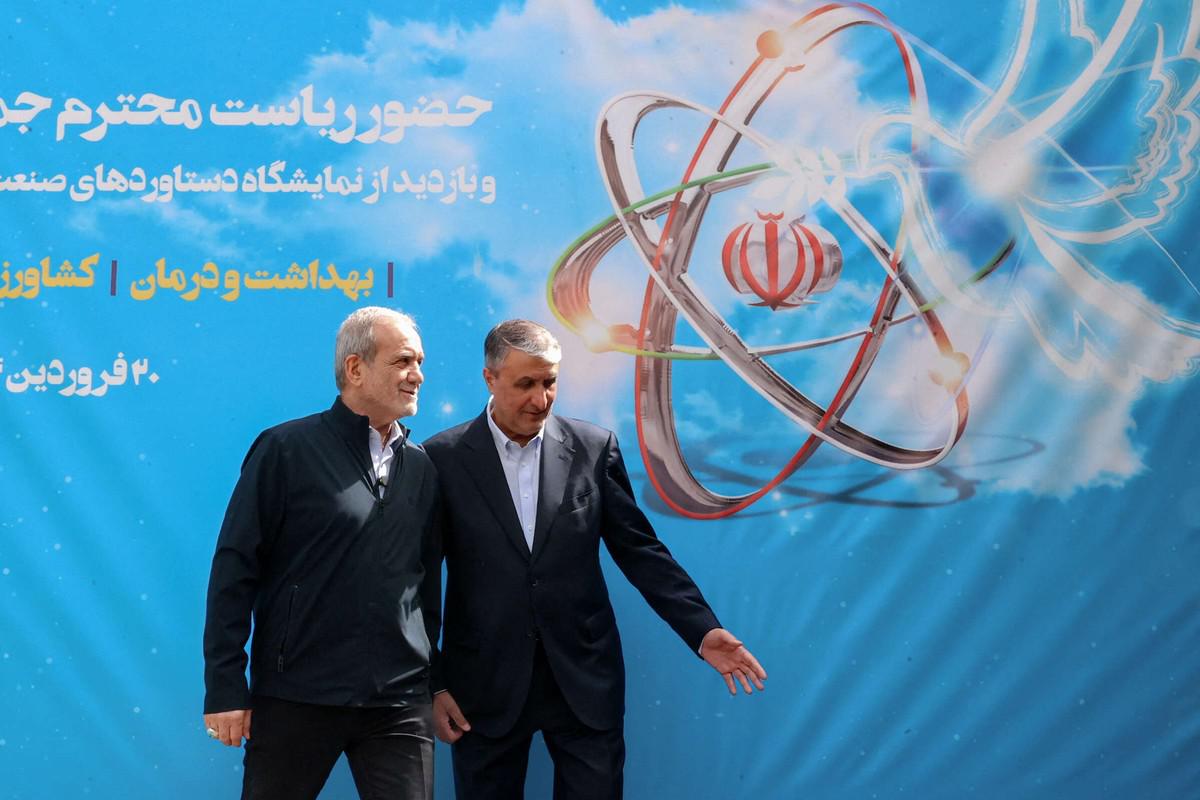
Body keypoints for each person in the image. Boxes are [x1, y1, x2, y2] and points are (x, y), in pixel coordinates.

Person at [423, 319, 766, 799]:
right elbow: (419, 581)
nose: (540, 399)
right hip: (483, 686)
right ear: (490, 378)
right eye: (525, 384)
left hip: (584, 679)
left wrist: (701, 628)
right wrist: (434, 684)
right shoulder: (440, 459)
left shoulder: (593, 448)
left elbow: (641, 551)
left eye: (549, 382)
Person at [202, 307, 440, 800]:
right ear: (355, 368)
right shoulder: (285, 449)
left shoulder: (421, 467)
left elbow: (426, 583)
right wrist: (225, 686)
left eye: (419, 362)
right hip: (297, 695)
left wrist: (433, 680)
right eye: (402, 361)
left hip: (398, 702)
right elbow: (234, 570)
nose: (417, 374)